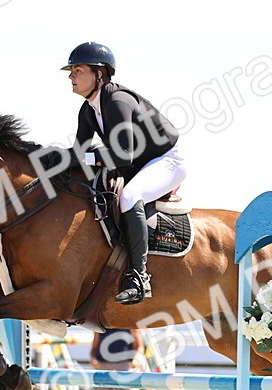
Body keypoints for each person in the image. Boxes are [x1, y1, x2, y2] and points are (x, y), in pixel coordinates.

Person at [62, 41, 186, 305]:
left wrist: (82, 158)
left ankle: (139, 277)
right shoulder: (88, 110)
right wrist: (55, 160)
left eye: (78, 70)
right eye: (71, 71)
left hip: (167, 160)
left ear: (99, 74)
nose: (71, 76)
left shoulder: (118, 100)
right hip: (140, 163)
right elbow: (79, 153)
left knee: (130, 196)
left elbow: (122, 155)